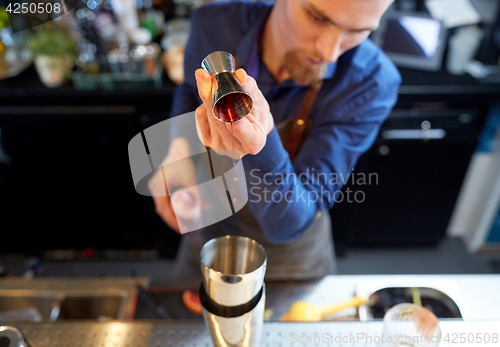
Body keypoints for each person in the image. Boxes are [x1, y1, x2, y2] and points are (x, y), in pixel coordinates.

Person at [149, 0, 401, 283]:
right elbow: (188, 89)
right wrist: (178, 150)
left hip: (289, 257)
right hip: (212, 230)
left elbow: (286, 224)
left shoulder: (370, 82)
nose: (329, 52)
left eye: (358, 30)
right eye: (317, 17)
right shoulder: (214, 24)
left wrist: (262, 142)